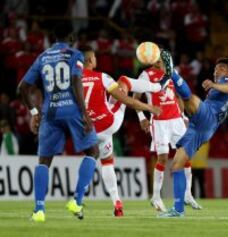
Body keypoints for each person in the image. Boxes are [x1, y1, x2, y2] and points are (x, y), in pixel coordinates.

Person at [158, 53, 228, 217]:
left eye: (222, 69)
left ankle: (172, 73)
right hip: (200, 129)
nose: (217, 71)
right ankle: (178, 209)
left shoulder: (227, 83)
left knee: (190, 99)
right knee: (176, 166)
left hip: (207, 118)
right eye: (216, 69)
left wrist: (213, 85)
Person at [18, 22, 100, 222]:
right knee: (93, 151)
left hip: (50, 113)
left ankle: (39, 211)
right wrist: (85, 114)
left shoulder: (42, 57)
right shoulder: (75, 54)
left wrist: (34, 112)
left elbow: (22, 87)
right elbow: (75, 81)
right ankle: (76, 201)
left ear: (54, 38)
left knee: (44, 161)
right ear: (71, 38)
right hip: (72, 110)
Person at [80, 45, 162, 216]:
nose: (96, 59)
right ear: (89, 61)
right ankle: (158, 86)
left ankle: (117, 203)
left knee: (106, 161)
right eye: (94, 57)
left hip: (89, 130)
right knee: (124, 80)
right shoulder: (101, 77)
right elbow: (127, 101)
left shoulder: (73, 81)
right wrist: (149, 108)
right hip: (109, 123)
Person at [134, 53, 202, 212]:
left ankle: (188, 194)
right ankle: (156, 196)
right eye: (156, 60)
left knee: (186, 155)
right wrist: (141, 116)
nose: (158, 63)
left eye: (161, 60)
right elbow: (136, 96)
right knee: (163, 158)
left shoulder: (172, 72)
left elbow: (179, 96)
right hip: (159, 122)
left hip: (176, 121)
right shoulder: (146, 75)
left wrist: (183, 116)